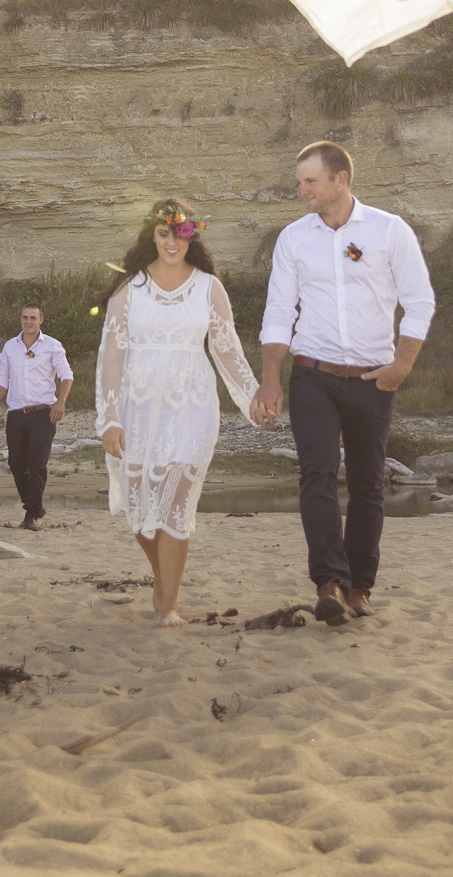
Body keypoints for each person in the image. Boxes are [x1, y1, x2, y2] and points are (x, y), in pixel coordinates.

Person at [252, 141, 434, 625]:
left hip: (374, 379)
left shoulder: (389, 231)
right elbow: (277, 310)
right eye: (299, 182)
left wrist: (402, 365)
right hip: (312, 373)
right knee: (315, 475)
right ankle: (328, 583)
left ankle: (359, 588)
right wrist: (270, 379)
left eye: (309, 181)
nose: (301, 190)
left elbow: (420, 302)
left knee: (367, 483)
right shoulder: (293, 238)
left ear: (340, 180)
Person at [96, 198, 265, 628]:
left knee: (175, 503)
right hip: (136, 407)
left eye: (180, 234)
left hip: (191, 406)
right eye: (163, 234)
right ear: (152, 236)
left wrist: (252, 399)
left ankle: (169, 603)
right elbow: (111, 355)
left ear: (192, 236)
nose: (172, 242)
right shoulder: (128, 288)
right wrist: (109, 416)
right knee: (139, 507)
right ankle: (161, 578)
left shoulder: (209, 287)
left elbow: (226, 350)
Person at [0, 302, 72, 531]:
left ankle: (31, 515)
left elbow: (66, 375)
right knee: (16, 464)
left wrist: (61, 402)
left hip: (43, 413)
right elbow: (2, 379)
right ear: (20, 319)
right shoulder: (10, 347)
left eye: (33, 318)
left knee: (37, 464)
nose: (28, 322)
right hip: (15, 414)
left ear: (41, 320)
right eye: (25, 317)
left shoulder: (52, 346)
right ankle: (35, 506)